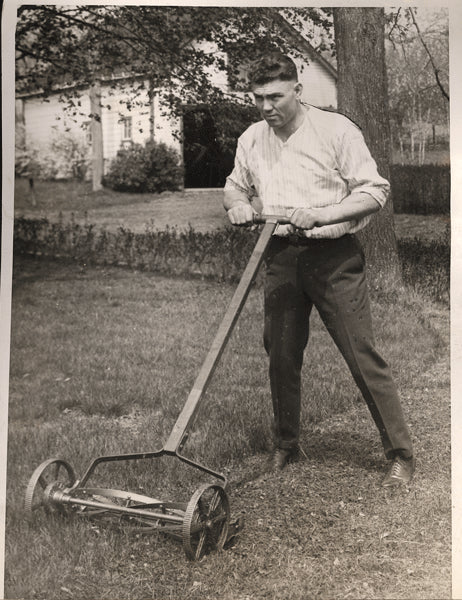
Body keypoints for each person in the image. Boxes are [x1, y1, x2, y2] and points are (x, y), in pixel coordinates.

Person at [223, 52, 415, 487]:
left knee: (361, 354)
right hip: (280, 257)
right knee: (281, 355)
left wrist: (324, 215)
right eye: (258, 99)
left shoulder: (336, 129)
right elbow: (236, 186)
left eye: (275, 97)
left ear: (297, 89)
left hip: (333, 258)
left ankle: (401, 454)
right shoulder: (252, 138)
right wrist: (236, 204)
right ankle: (286, 445)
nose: (266, 107)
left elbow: (374, 191)